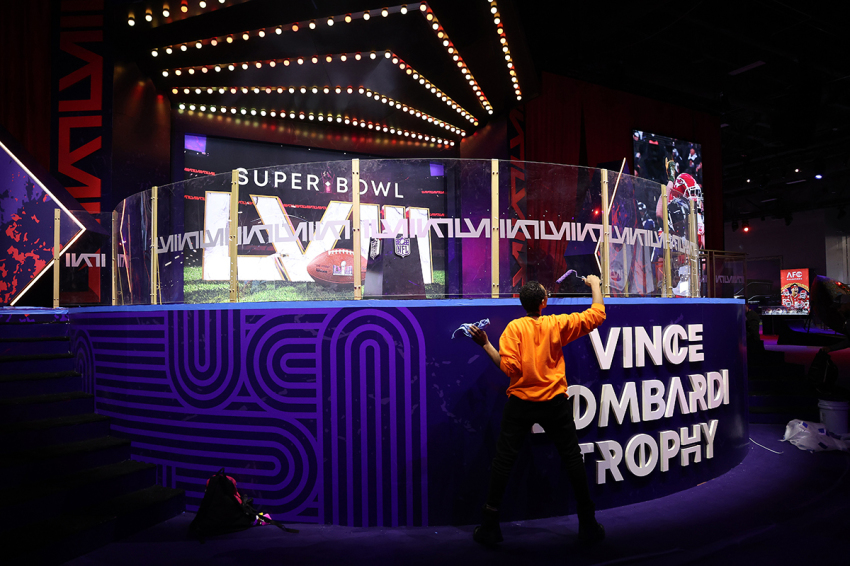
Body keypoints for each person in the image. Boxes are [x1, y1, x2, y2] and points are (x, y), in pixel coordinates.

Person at [467, 277, 607, 545]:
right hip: (555, 402)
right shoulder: (556, 324)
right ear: (544, 303)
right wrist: (595, 285)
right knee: (572, 459)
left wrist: (485, 344)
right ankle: (588, 523)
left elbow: (509, 370)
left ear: (522, 302)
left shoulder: (513, 329)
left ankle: (490, 525)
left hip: (521, 403)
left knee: (503, 461)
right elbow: (597, 314)